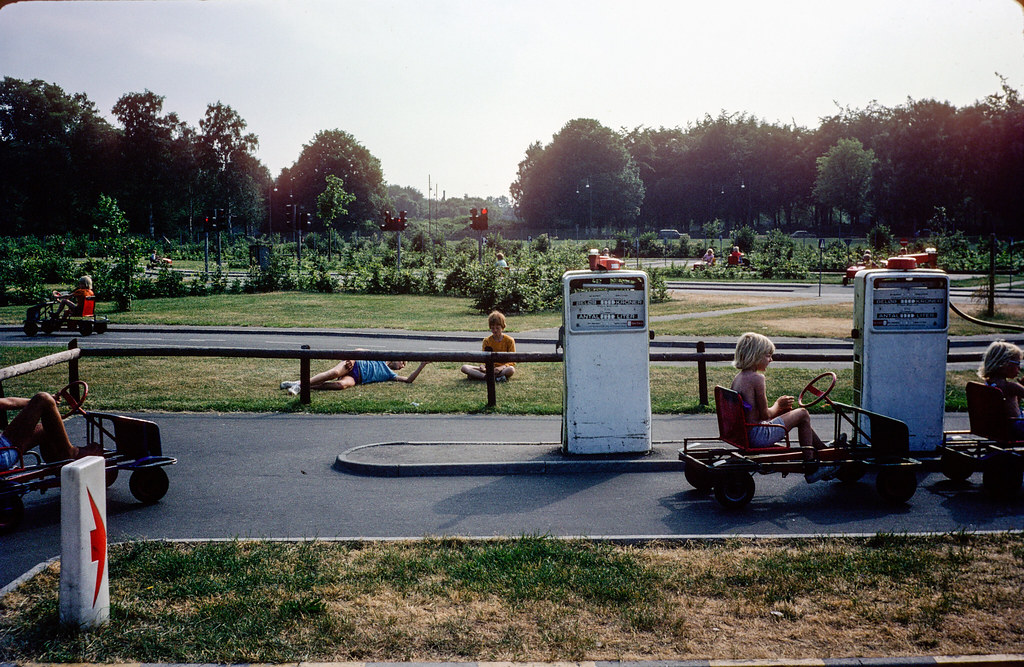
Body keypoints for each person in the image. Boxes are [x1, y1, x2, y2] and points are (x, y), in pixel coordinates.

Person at [730, 332, 837, 482]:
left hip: (745, 433)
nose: (771, 360)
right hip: (758, 435)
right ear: (755, 355)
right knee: (803, 414)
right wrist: (778, 405)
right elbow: (765, 415)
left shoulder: (739, 378)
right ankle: (811, 466)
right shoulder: (757, 378)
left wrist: (780, 410)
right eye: (768, 355)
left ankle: (824, 451)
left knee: (798, 416)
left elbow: (752, 414)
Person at [0, 392, 101, 472]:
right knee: (43, 398)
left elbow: (8, 402)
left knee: (45, 429)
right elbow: (7, 403)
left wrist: (34, 404)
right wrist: (43, 403)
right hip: (2, 454)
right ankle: (70, 454)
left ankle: (60, 466)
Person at [281, 356, 429, 395]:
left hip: (357, 378)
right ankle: (300, 384)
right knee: (333, 373)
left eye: (404, 365)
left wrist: (422, 365)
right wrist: (350, 358)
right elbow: (359, 350)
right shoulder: (380, 355)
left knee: (341, 384)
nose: (402, 365)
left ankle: (303, 385)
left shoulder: (390, 374)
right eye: (402, 361)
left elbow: (409, 380)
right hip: (354, 363)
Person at [977, 340, 1024, 438]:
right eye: (1017, 363)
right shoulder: (1010, 386)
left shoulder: (989, 385)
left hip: (998, 427)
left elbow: (1011, 407)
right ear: (1004, 364)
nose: (1019, 368)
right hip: (1014, 428)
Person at [461, 310, 516, 382]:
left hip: (502, 369)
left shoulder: (509, 340)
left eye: (497, 328)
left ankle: (481, 376)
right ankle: (489, 377)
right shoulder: (487, 340)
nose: (495, 330)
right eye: (492, 328)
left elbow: (513, 361)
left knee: (511, 370)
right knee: (465, 367)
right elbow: (483, 358)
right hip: (488, 368)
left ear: (502, 327)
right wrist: (483, 366)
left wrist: (501, 367)